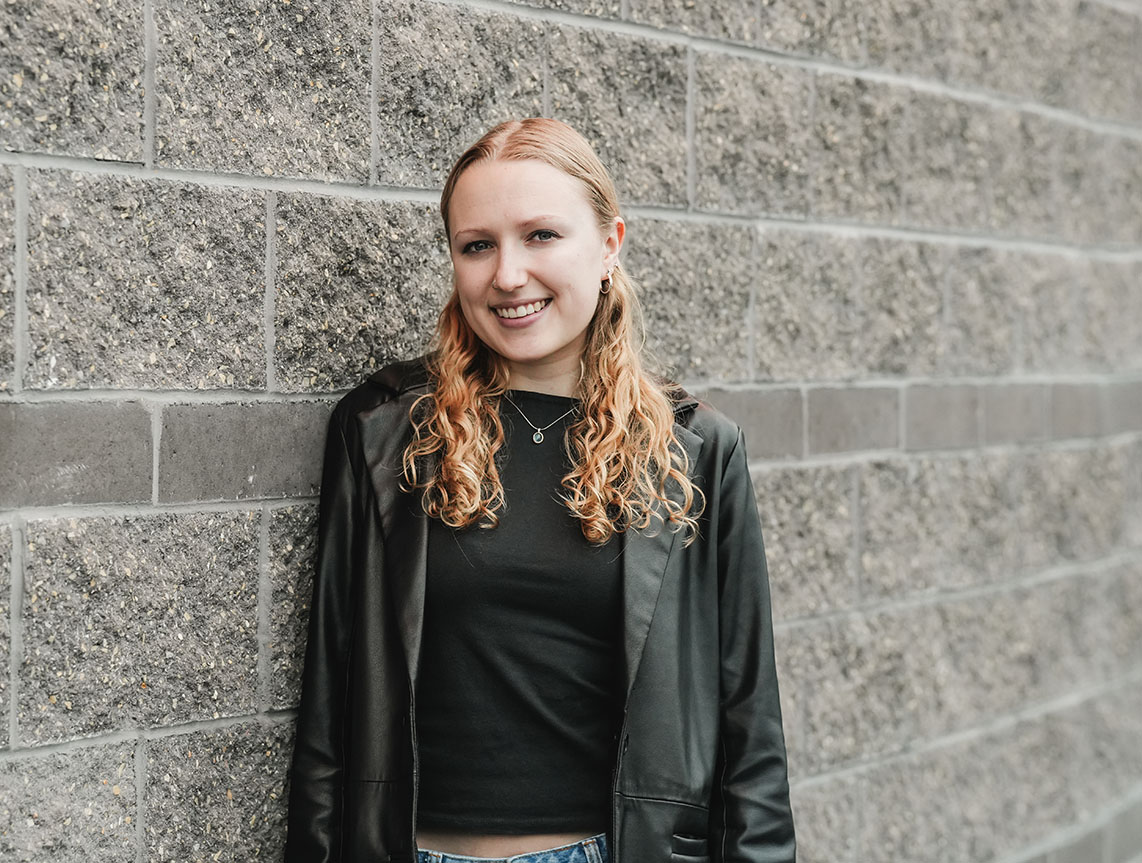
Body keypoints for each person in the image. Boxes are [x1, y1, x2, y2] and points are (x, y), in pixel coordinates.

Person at [284, 117, 795, 863]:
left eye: (542, 236)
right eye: (477, 245)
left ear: (610, 244)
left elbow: (750, 722)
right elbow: (330, 706)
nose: (508, 275)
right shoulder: (384, 431)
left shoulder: (693, 450)